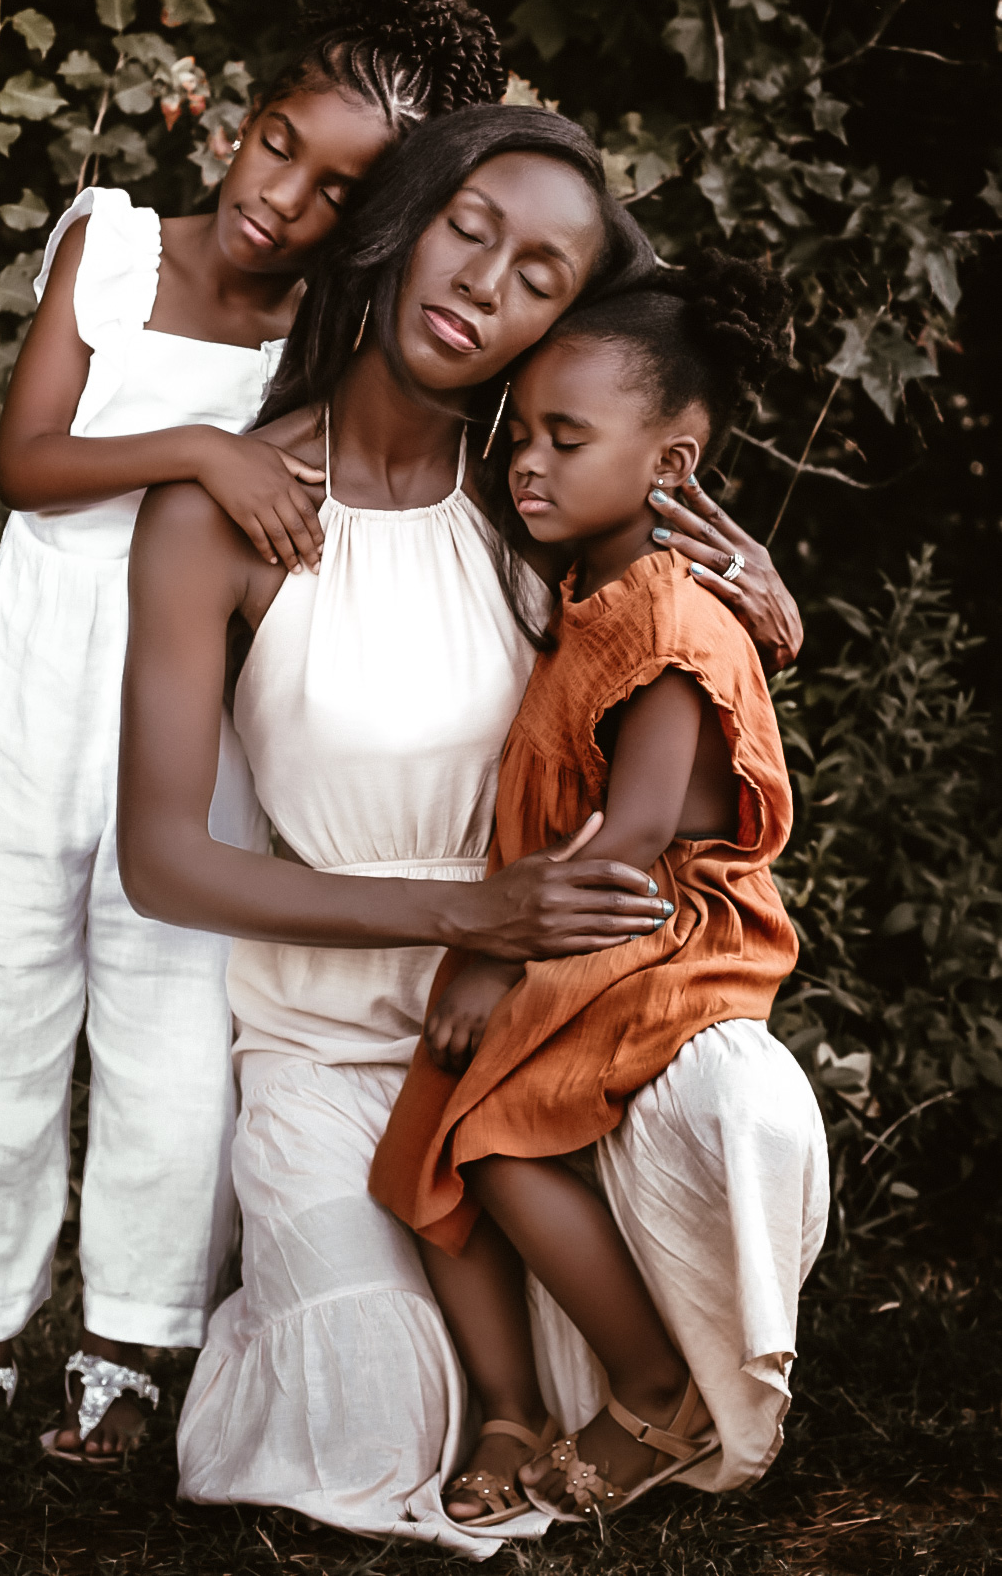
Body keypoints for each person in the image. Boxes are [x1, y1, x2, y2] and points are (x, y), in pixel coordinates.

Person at [116, 106, 807, 1551]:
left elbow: (672, 666)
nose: (487, 282)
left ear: (562, 322)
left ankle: (625, 1373)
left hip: (543, 1021)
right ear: (403, 220)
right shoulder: (229, 510)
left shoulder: (546, 503)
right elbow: (164, 862)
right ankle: (494, 1385)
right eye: (472, 230)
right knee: (374, 1423)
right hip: (326, 1038)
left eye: (542, 274)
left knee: (728, 1120)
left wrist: (768, 628)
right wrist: (462, 920)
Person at [0, 0, 511, 1474]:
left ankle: (127, 1345)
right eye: (278, 143)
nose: (282, 197)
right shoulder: (112, 248)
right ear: (243, 120)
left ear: (374, 223)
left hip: (200, 700)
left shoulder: (328, 334)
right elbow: (28, 464)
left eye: (339, 191)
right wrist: (199, 453)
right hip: (41, 676)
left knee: (171, 1020)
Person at [370, 251, 829, 1532]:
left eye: (564, 439)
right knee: (427, 1136)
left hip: (663, 931)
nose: (525, 462)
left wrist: (485, 953)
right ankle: (508, 1402)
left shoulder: (673, 621)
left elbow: (630, 835)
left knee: (498, 1138)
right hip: (601, 914)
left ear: (670, 466)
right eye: (519, 432)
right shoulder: (592, 593)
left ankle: (653, 1393)